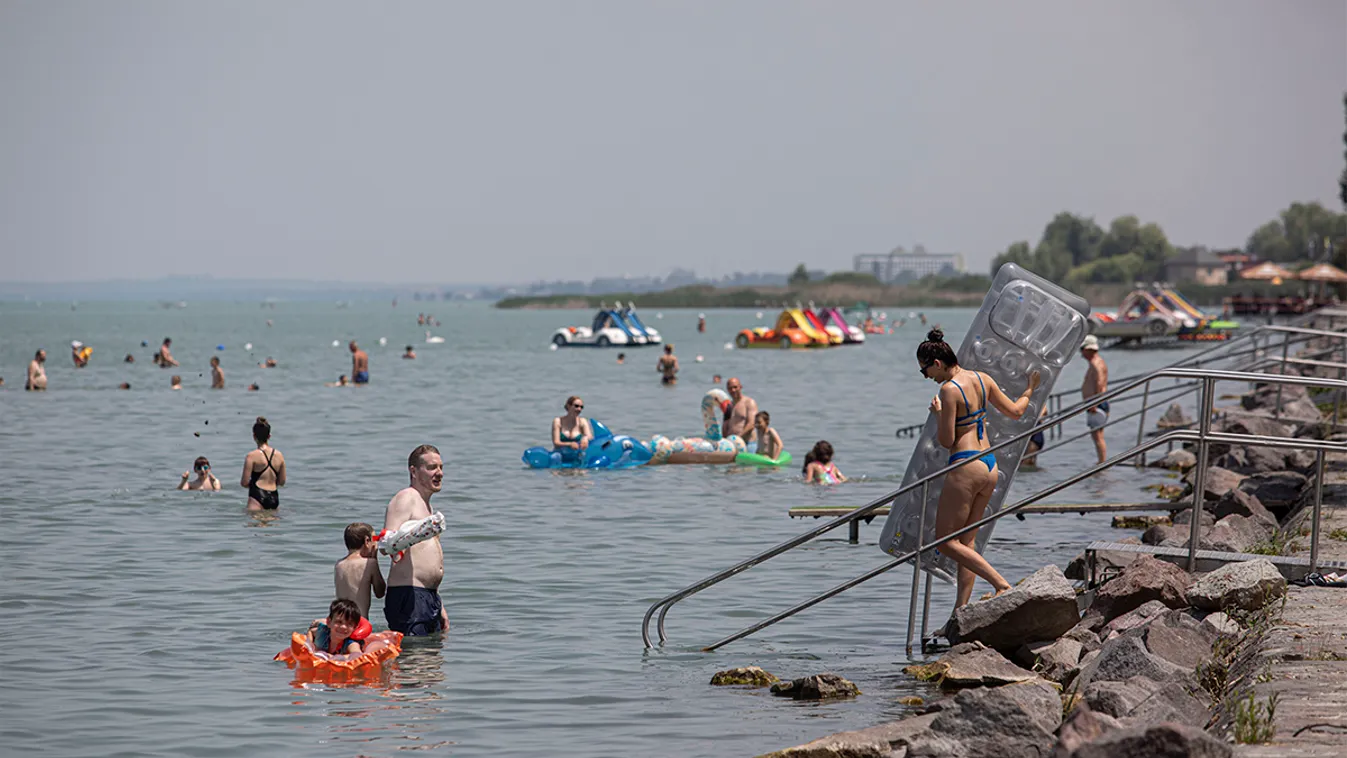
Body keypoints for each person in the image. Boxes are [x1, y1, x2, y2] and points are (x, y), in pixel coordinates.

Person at [918, 328, 1040, 608]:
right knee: (967, 542)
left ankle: (1001, 584)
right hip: (989, 464)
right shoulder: (983, 378)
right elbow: (1016, 411)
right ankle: (960, 609)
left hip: (965, 464)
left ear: (937, 363)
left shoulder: (949, 390)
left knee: (945, 542)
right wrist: (1031, 388)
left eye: (925, 371)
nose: (926, 377)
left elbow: (947, 440)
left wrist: (939, 414)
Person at [383, 445, 449, 636]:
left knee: (432, 654)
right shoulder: (406, 498)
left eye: (441, 467)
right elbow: (386, 545)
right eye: (432, 467)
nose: (439, 473)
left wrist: (439, 604)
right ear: (413, 471)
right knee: (415, 653)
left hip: (428, 595)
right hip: (409, 594)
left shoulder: (426, 505)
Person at [335, 523, 387, 618]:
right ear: (367, 541)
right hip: (359, 620)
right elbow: (380, 592)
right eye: (375, 539)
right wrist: (375, 558)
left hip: (341, 619)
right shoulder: (370, 563)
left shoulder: (339, 564)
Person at [240, 416, 285, 510]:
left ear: (254, 436)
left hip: (257, 495)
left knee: (253, 518)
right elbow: (282, 482)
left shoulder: (251, 456)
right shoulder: (279, 455)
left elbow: (244, 482)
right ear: (269, 436)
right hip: (274, 496)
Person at [1080, 335, 1109, 464]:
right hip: (1095, 402)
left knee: (1098, 436)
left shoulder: (1096, 363)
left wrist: (1094, 403)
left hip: (1097, 403)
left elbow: (1100, 383)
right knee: (1096, 435)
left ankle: (1102, 462)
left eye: (1082, 349)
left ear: (1089, 349)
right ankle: (1101, 461)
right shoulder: (1097, 362)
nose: (1081, 353)